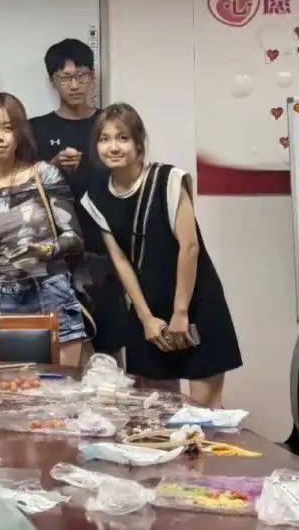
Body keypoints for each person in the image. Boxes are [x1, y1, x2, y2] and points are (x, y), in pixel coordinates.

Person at [82, 103, 242, 406]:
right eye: (104, 139)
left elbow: (189, 247)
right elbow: (121, 260)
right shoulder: (97, 195)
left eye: (123, 138)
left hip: (195, 301)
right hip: (148, 308)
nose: (113, 147)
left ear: (138, 144)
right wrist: (145, 318)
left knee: (206, 413)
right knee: (156, 410)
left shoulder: (168, 180)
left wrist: (180, 312)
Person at [0, 93, 88, 368]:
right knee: (6, 388)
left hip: (51, 288)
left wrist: (46, 249)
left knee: (64, 387)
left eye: (7, 128)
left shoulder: (44, 174)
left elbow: (74, 238)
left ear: (20, 134)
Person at [29, 38, 127, 358]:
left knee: (111, 351)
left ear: (92, 77)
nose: (74, 85)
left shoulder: (110, 126)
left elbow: (129, 177)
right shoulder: (35, 129)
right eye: (65, 77)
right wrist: (51, 168)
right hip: (55, 258)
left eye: (81, 75)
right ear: (52, 81)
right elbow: (22, 193)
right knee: (61, 352)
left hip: (107, 250)